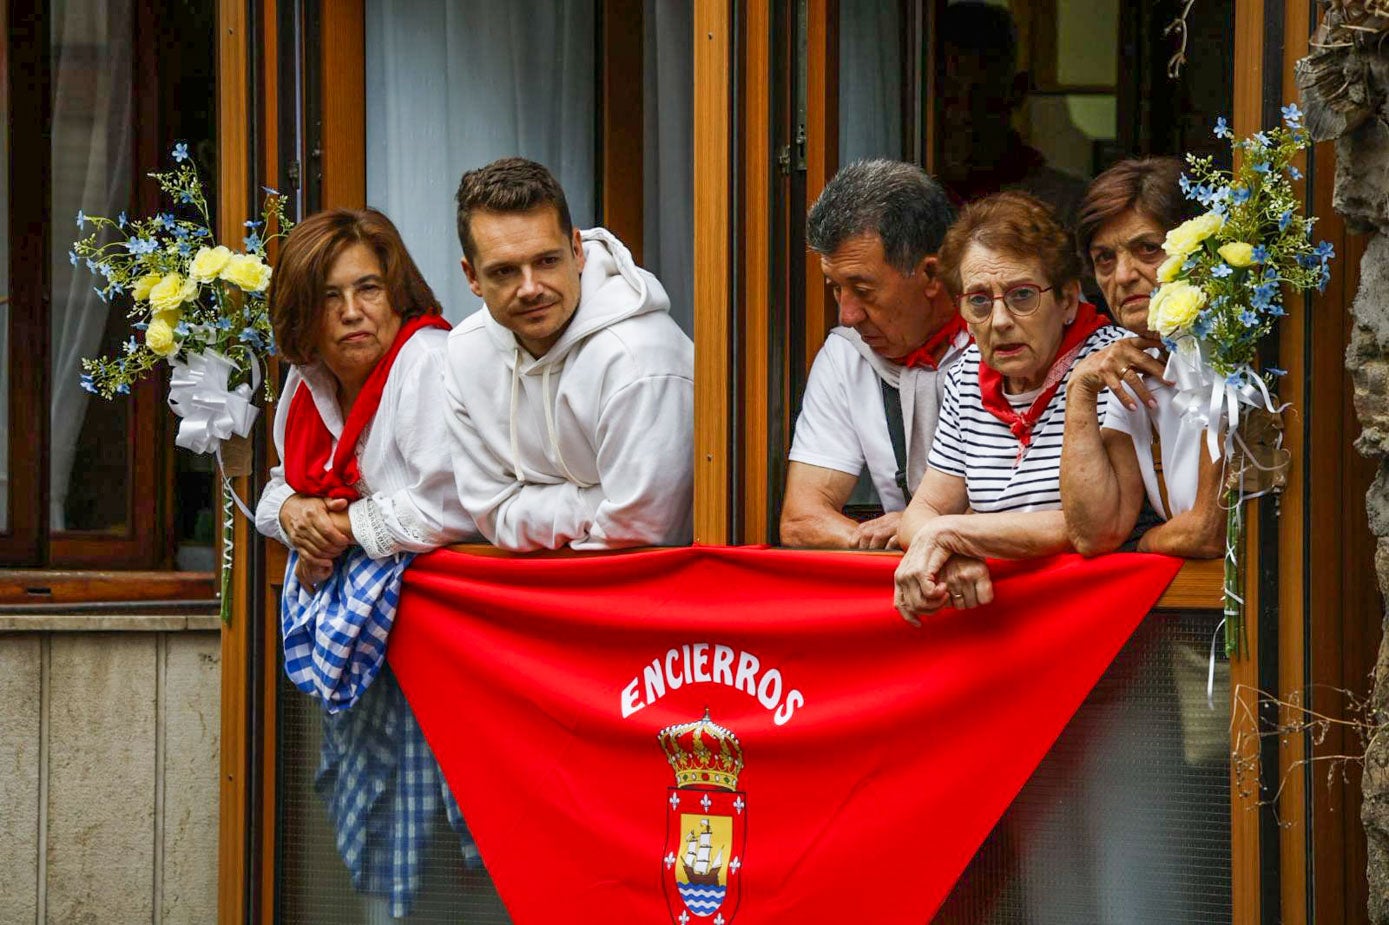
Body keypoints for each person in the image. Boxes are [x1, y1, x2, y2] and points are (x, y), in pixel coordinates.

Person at [255, 208, 483, 920]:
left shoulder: (426, 360)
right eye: (330, 296)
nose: (354, 312)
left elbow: (451, 505)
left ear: (396, 292)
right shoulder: (305, 381)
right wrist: (293, 515)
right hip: (373, 650)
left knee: (445, 842)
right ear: (303, 312)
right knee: (382, 829)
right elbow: (275, 487)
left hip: (440, 649)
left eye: (369, 288)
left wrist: (342, 525)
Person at [894, 191, 1123, 622]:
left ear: (1068, 301)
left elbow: (1083, 525)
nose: (998, 321)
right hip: (1003, 627)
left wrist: (955, 534)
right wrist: (956, 551)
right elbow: (921, 514)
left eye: (1021, 295)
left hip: (1099, 623)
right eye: (979, 300)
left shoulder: (1111, 363)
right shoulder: (966, 375)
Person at [444, 157, 693, 550]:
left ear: (577, 251)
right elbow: (490, 510)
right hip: (537, 592)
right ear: (472, 276)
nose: (530, 288)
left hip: (643, 596)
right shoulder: (464, 352)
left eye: (546, 261)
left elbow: (644, 531)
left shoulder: (639, 358)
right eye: (504, 271)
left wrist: (537, 510)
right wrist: (596, 502)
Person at [781, 160, 969, 550]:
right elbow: (801, 519)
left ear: (932, 275)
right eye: (835, 288)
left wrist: (920, 529)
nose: (847, 316)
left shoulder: (1006, 341)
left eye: (863, 291)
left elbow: (1043, 508)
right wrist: (886, 540)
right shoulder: (845, 356)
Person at [1061, 157, 1226, 558]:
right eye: (1105, 259)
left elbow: (1207, 531)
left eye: (1147, 249)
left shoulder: (1233, 353)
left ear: (1197, 251)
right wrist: (1080, 389)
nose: (1122, 276)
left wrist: (1148, 543)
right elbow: (1096, 533)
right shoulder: (1134, 362)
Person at [938, 1, 1088, 228]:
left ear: (1018, 92)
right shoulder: (906, 203)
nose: (963, 114)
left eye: (983, 98)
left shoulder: (1067, 206)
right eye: (949, 97)